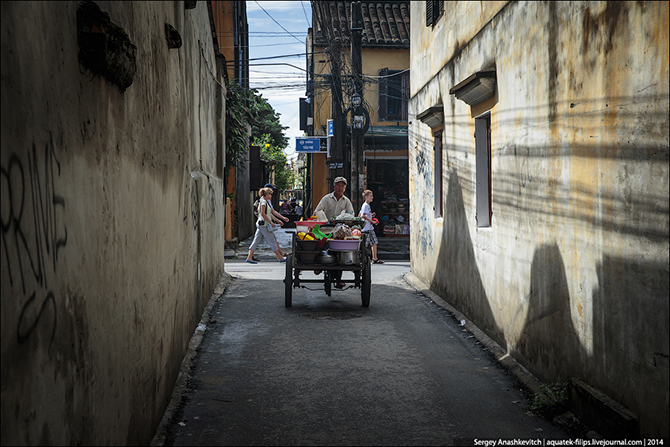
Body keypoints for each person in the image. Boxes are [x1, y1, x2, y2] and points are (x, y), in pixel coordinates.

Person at [314, 177, 354, 288]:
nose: (340, 188)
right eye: (338, 185)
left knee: (340, 251)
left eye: (342, 186)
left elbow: (351, 214)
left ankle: (338, 279)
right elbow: (316, 212)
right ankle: (319, 265)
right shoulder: (326, 199)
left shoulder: (346, 201)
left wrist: (346, 219)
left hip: (340, 231)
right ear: (333, 187)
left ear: (345, 188)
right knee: (321, 243)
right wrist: (324, 219)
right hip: (326, 229)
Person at [246, 187, 287, 264]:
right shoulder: (264, 202)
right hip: (264, 224)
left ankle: (249, 257)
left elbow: (270, 213)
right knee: (272, 241)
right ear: (267, 194)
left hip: (261, 224)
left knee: (256, 241)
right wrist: (271, 222)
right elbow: (262, 213)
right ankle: (280, 257)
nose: (271, 196)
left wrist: (279, 219)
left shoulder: (265, 202)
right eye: (270, 194)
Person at [359, 190, 384, 264]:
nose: (372, 197)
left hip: (369, 228)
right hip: (366, 228)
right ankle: (361, 259)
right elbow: (363, 216)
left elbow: (360, 215)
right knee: (365, 245)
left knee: (374, 242)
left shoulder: (366, 205)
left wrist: (370, 215)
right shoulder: (366, 205)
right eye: (370, 196)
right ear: (366, 197)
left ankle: (375, 258)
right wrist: (371, 221)